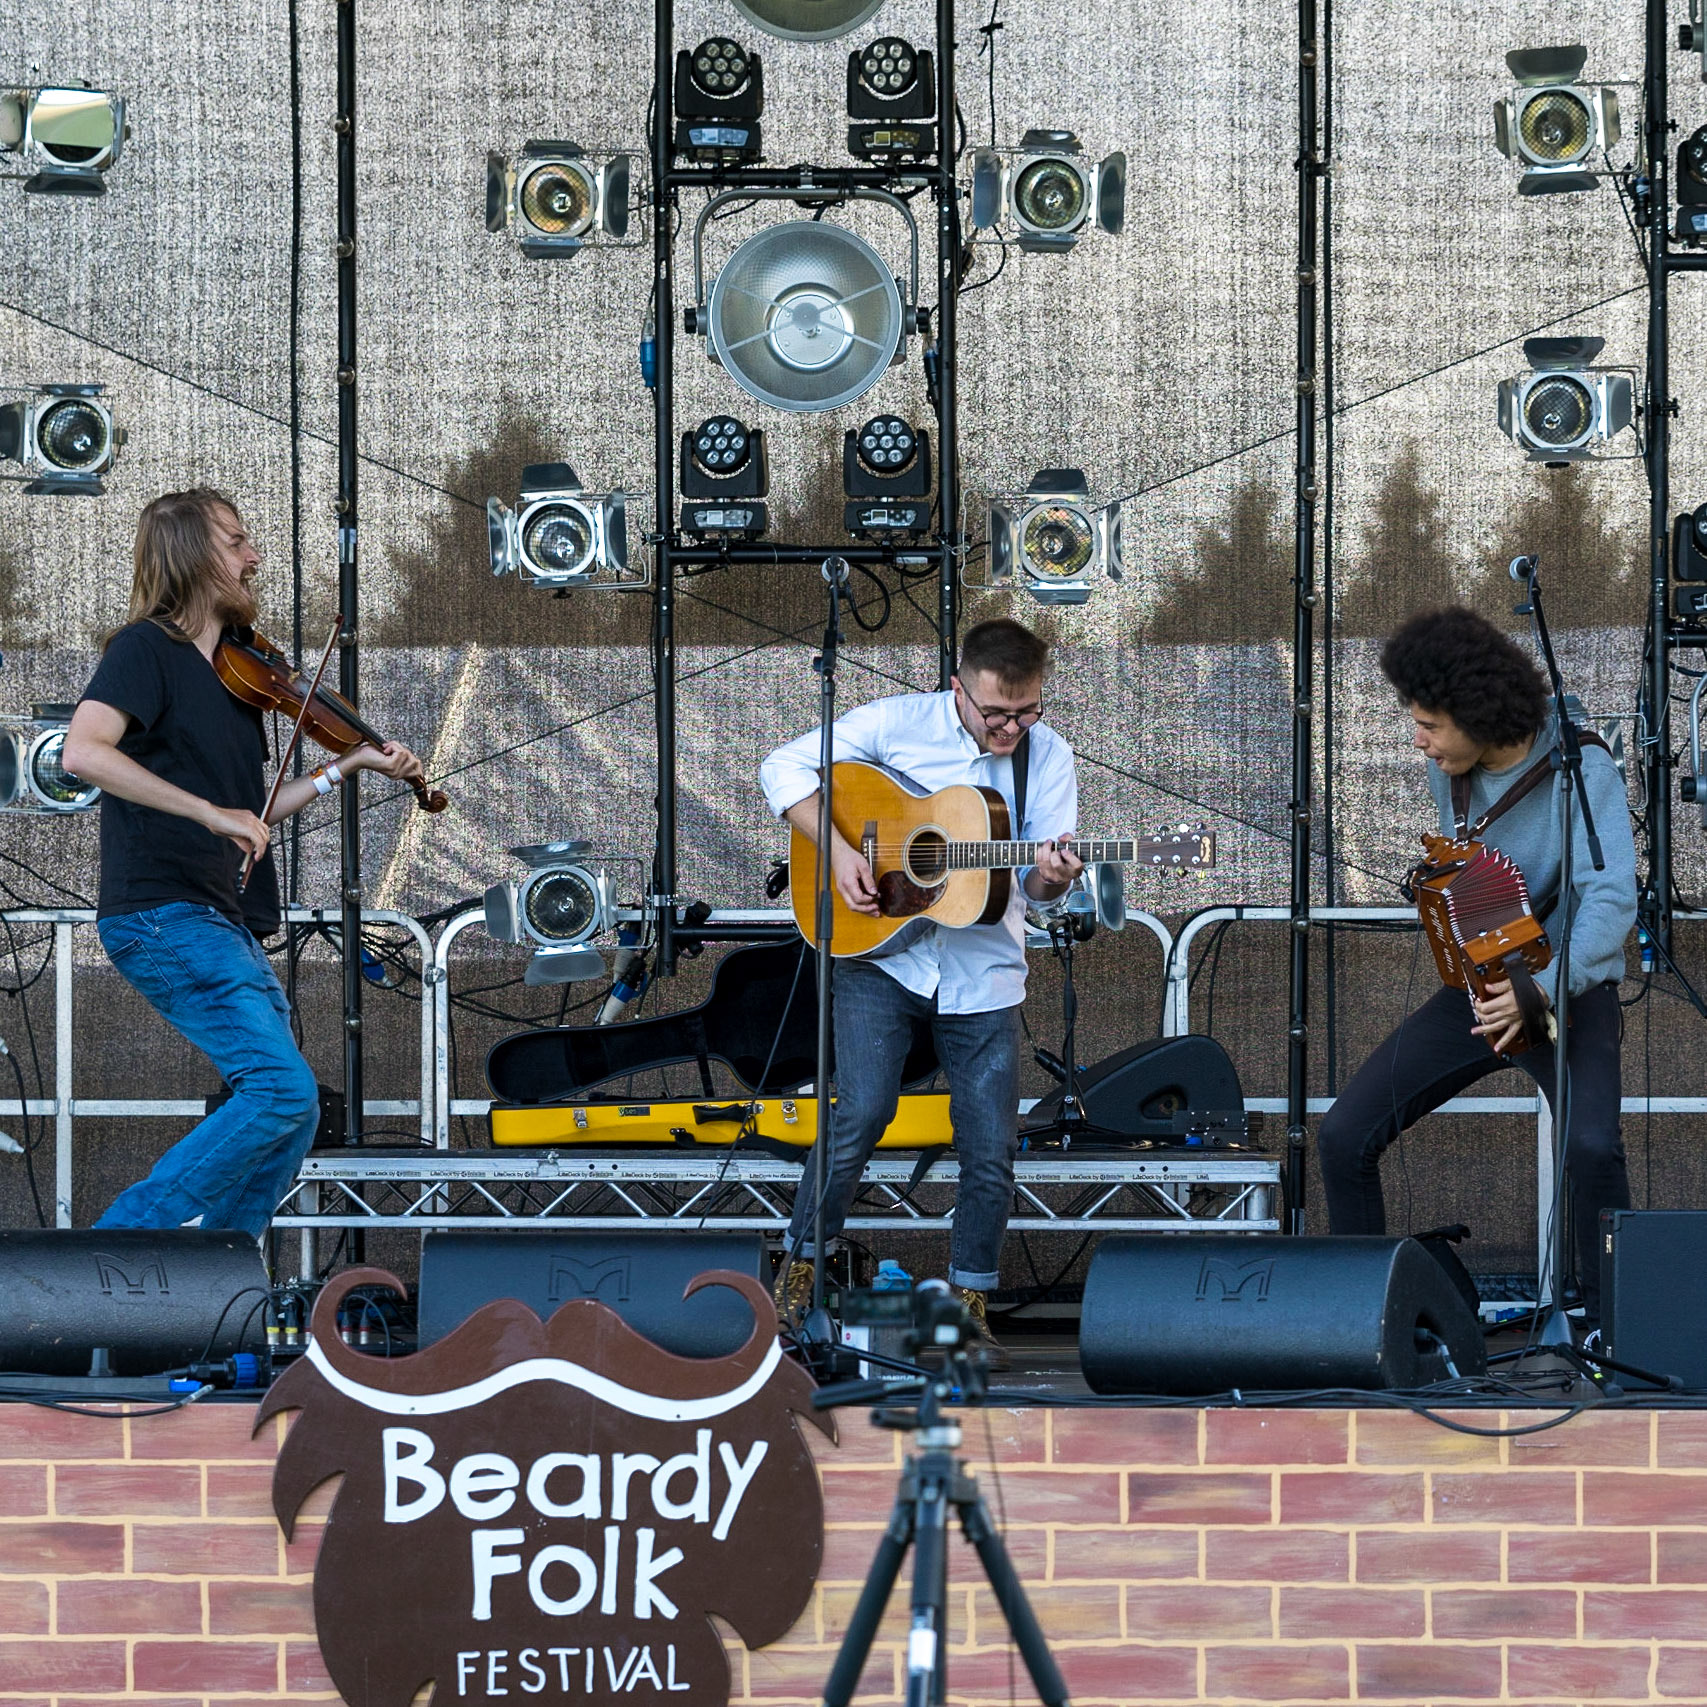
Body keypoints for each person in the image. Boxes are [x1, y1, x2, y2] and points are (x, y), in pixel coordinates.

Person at [61, 487, 425, 1239]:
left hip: (220, 919)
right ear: (193, 555)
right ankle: (114, 1249)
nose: (253, 556)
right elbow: (82, 750)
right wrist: (204, 811)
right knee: (282, 1091)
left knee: (289, 1117)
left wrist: (346, 763)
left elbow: (249, 813)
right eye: (236, 541)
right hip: (162, 912)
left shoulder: (241, 674)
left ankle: (221, 1272)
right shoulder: (143, 650)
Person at [759, 617, 1082, 1367]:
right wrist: (841, 856)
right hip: (877, 958)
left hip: (984, 973)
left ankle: (967, 1311)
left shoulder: (1049, 757)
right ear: (955, 688)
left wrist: (1053, 878)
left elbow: (1032, 883)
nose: (1010, 726)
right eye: (995, 711)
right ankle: (798, 1272)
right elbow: (781, 768)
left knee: (989, 1146)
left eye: (1026, 710)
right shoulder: (894, 722)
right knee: (861, 1111)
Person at [1317, 606, 1634, 1332]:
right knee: (1343, 1135)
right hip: (1481, 986)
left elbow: (1611, 897)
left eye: (1430, 724)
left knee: (1591, 1146)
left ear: (1479, 713)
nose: (1419, 740)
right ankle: (1365, 1328)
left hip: (1566, 990)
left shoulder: (1581, 766)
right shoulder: (1449, 771)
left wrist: (1546, 990)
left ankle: (1612, 1329)